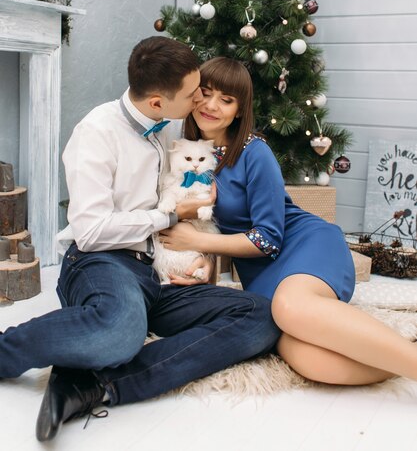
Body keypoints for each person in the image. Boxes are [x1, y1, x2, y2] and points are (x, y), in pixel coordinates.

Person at [0, 38, 280, 442]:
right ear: (156, 102)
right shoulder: (97, 133)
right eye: (193, 94)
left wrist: (202, 258)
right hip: (101, 263)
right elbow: (92, 231)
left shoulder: (170, 129)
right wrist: (169, 216)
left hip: (159, 274)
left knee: (260, 316)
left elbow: (192, 192)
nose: (200, 101)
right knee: (121, 330)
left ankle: (92, 383)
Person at [160, 56, 417, 386]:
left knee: (290, 306)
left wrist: (196, 242)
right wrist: (202, 263)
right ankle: (397, 353)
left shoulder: (255, 152)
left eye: (226, 100)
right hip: (261, 275)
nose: (211, 105)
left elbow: (268, 238)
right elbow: (208, 225)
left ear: (239, 110)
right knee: (308, 359)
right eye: (205, 93)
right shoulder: (186, 152)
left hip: (305, 245)